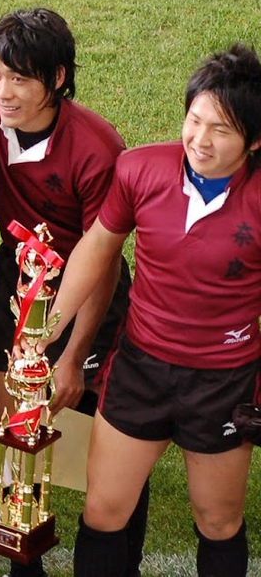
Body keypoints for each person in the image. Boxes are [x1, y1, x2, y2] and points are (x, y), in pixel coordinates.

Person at [37, 44, 261, 577]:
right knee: (103, 510)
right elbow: (97, 247)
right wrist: (47, 329)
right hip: (140, 368)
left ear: (254, 141)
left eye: (221, 129)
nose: (200, 140)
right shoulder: (139, 169)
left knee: (217, 521)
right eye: (194, 120)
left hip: (223, 380)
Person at [0, 8, 144, 577]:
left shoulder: (97, 148)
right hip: (19, 278)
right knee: (14, 432)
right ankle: (24, 566)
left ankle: (120, 560)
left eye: (20, 79)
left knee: (101, 446)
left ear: (58, 78)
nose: (3, 92)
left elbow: (103, 262)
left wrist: (72, 358)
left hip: (86, 288)